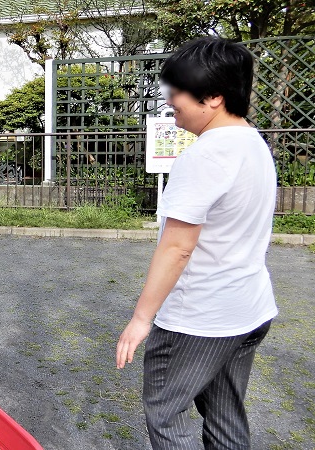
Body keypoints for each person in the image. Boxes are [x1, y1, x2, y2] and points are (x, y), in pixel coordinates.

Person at [116, 37, 277, 449]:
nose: (170, 101)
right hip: (248, 309)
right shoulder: (253, 144)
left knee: (167, 413)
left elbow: (177, 247)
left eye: (179, 90)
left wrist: (141, 319)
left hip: (200, 318)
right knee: (225, 416)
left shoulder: (205, 156)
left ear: (214, 97)